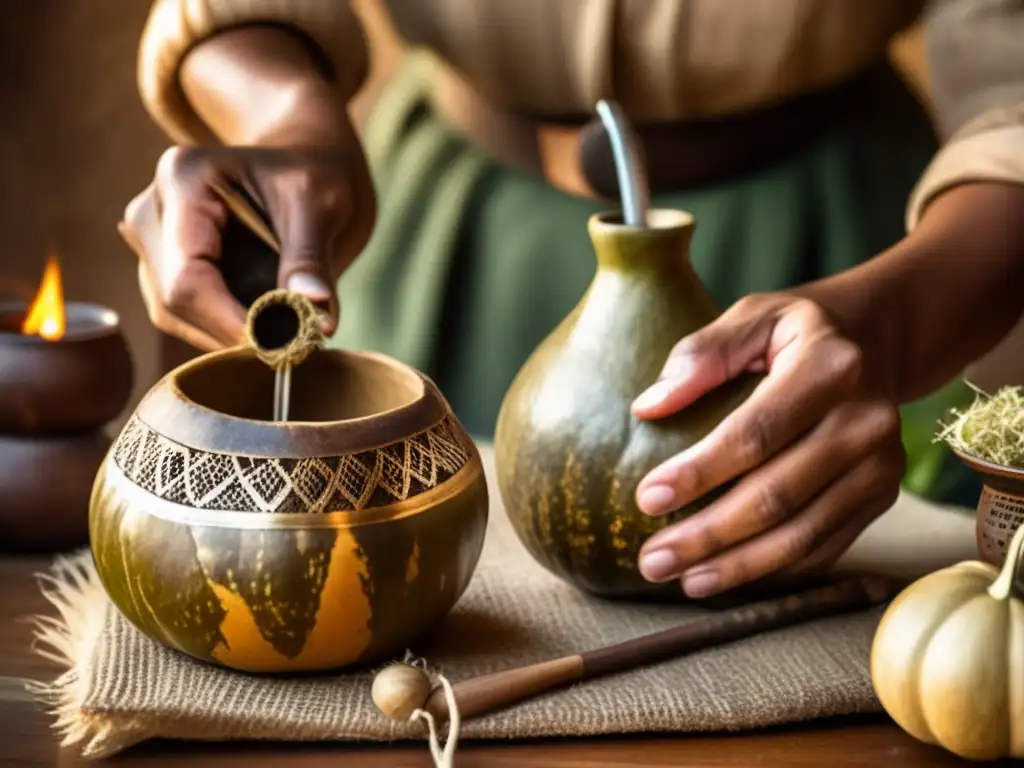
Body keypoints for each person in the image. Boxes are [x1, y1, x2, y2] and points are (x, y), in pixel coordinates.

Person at [120, 0, 1024, 598]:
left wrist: (890, 324)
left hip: (860, 251)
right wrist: (287, 117)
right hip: (448, 234)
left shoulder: (875, 308)